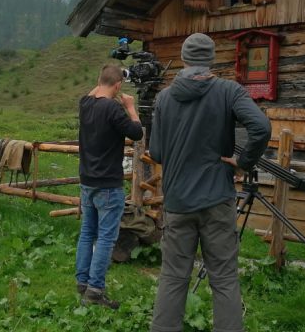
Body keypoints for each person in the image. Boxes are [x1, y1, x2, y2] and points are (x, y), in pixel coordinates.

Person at [149, 33, 271, 332]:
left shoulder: (164, 97)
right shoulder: (229, 91)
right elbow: (261, 127)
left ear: (184, 57)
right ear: (211, 58)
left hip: (178, 200)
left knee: (173, 276)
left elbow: (157, 153)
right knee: (224, 278)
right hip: (218, 198)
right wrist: (243, 163)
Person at [75, 64, 143, 309]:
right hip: (108, 184)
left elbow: (98, 89)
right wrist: (130, 107)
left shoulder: (85, 103)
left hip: (87, 182)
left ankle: (82, 283)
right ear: (117, 86)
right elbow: (136, 132)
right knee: (105, 238)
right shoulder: (114, 109)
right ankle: (95, 290)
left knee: (87, 233)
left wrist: (111, 76)